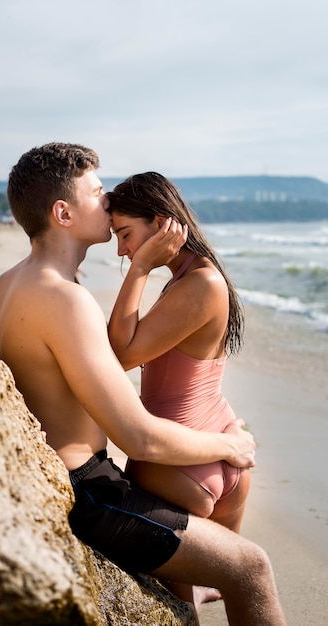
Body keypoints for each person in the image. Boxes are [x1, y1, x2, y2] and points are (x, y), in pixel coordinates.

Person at [0, 142, 286, 626]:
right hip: (89, 493)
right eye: (98, 192)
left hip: (63, 478)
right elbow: (137, 436)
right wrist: (229, 445)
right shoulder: (63, 299)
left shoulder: (4, 286)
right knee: (251, 568)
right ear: (63, 212)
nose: (108, 201)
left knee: (195, 590)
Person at [106, 172, 249, 535]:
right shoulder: (190, 277)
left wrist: (138, 269)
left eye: (125, 234)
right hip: (208, 445)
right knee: (216, 586)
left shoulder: (201, 283)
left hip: (179, 460)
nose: (122, 250)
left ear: (160, 223)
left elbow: (119, 357)